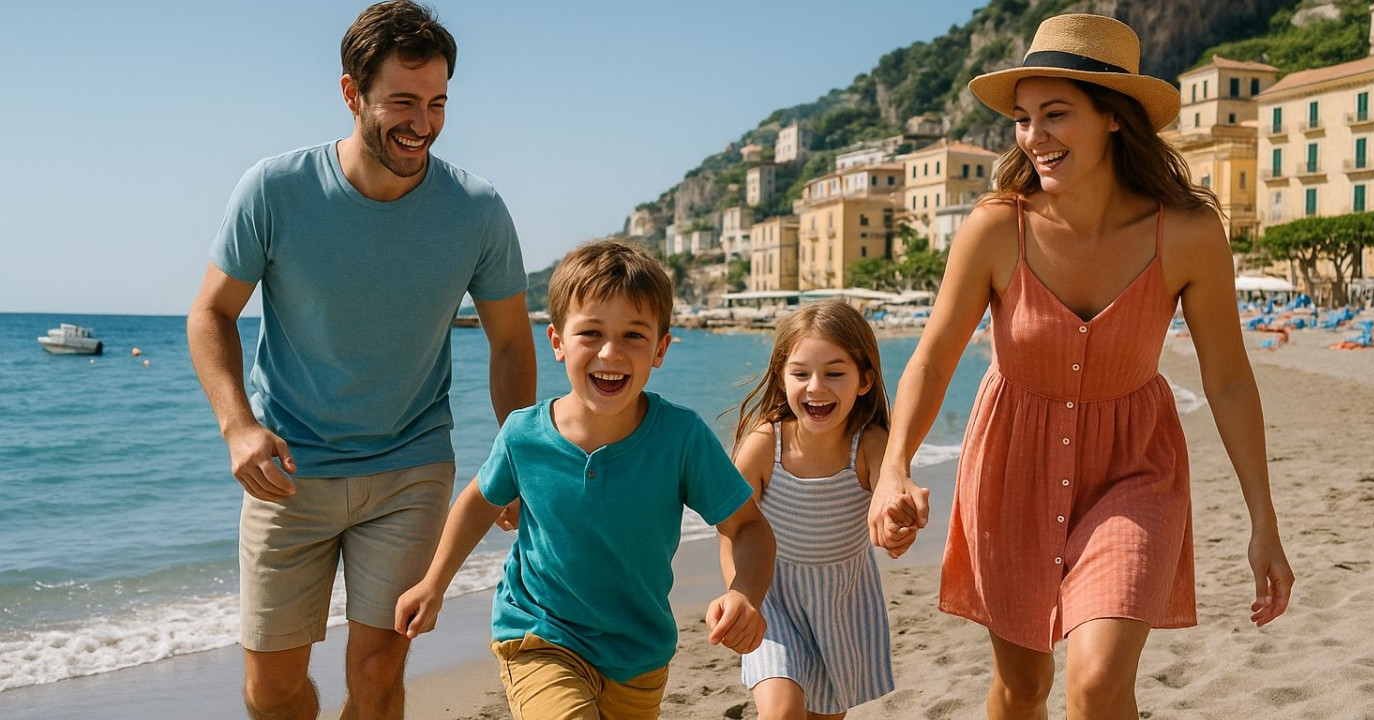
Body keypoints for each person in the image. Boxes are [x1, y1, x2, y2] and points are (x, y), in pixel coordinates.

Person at [867, 13, 1295, 719]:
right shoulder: (996, 227)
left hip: (1137, 469)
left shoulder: (1186, 233)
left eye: (1056, 114)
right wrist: (894, 470)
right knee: (1024, 688)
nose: (1034, 136)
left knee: (1096, 685)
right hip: (1011, 467)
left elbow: (1227, 379)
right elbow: (934, 357)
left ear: (1114, 118)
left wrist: (1263, 522)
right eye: (1024, 118)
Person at [186, 2, 537, 718]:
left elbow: (509, 341)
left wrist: (519, 457)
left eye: (437, 102)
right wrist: (238, 427)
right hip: (288, 470)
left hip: (410, 468)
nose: (424, 123)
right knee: (272, 688)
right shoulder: (274, 190)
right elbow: (210, 314)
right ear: (352, 94)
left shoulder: (476, 209)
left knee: (378, 673)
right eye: (403, 102)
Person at [395, 239, 776, 720]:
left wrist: (744, 593)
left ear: (660, 348)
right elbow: (479, 501)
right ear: (557, 342)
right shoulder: (523, 435)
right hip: (539, 633)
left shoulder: (681, 438)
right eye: (591, 333)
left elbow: (748, 528)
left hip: (638, 653)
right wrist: (434, 583)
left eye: (634, 336)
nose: (610, 353)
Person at [727, 300, 895, 719]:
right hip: (772, 596)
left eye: (834, 373)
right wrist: (741, 594)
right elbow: (732, 527)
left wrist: (896, 524)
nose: (816, 386)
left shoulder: (870, 445)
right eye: (801, 373)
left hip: (841, 603)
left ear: (864, 380)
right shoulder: (767, 445)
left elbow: (890, 498)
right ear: (782, 378)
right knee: (782, 712)